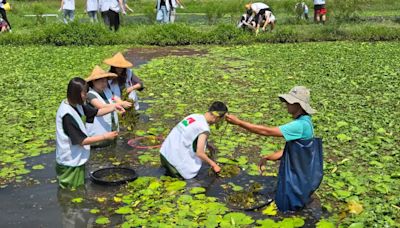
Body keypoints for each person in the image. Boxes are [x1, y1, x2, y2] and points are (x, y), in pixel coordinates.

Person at [226, 86, 323, 211]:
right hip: (302, 173)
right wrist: (268, 157)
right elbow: (297, 150)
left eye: (288, 102)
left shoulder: (300, 125)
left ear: (298, 105)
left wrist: (239, 122)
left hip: (297, 177)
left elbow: (267, 131)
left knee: (287, 207)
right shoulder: (306, 121)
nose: (286, 105)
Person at [55, 77, 123, 189]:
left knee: (78, 190)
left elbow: (96, 112)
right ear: (75, 93)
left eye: (86, 92)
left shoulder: (77, 104)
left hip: (77, 157)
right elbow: (81, 141)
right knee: (71, 192)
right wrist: (105, 136)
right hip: (69, 162)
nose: (86, 96)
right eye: (83, 93)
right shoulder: (67, 114)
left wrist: (114, 107)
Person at [160, 101, 228, 179]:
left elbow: (188, 135)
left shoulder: (194, 116)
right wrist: (214, 165)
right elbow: (200, 153)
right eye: (220, 119)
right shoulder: (204, 128)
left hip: (164, 153)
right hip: (174, 162)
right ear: (217, 116)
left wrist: (207, 145)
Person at [86, 66, 126, 147]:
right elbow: (101, 106)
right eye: (102, 81)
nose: (104, 84)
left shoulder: (107, 91)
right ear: (94, 81)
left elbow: (112, 102)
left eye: (105, 81)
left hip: (110, 130)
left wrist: (118, 109)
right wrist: (117, 105)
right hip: (97, 134)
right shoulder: (90, 95)